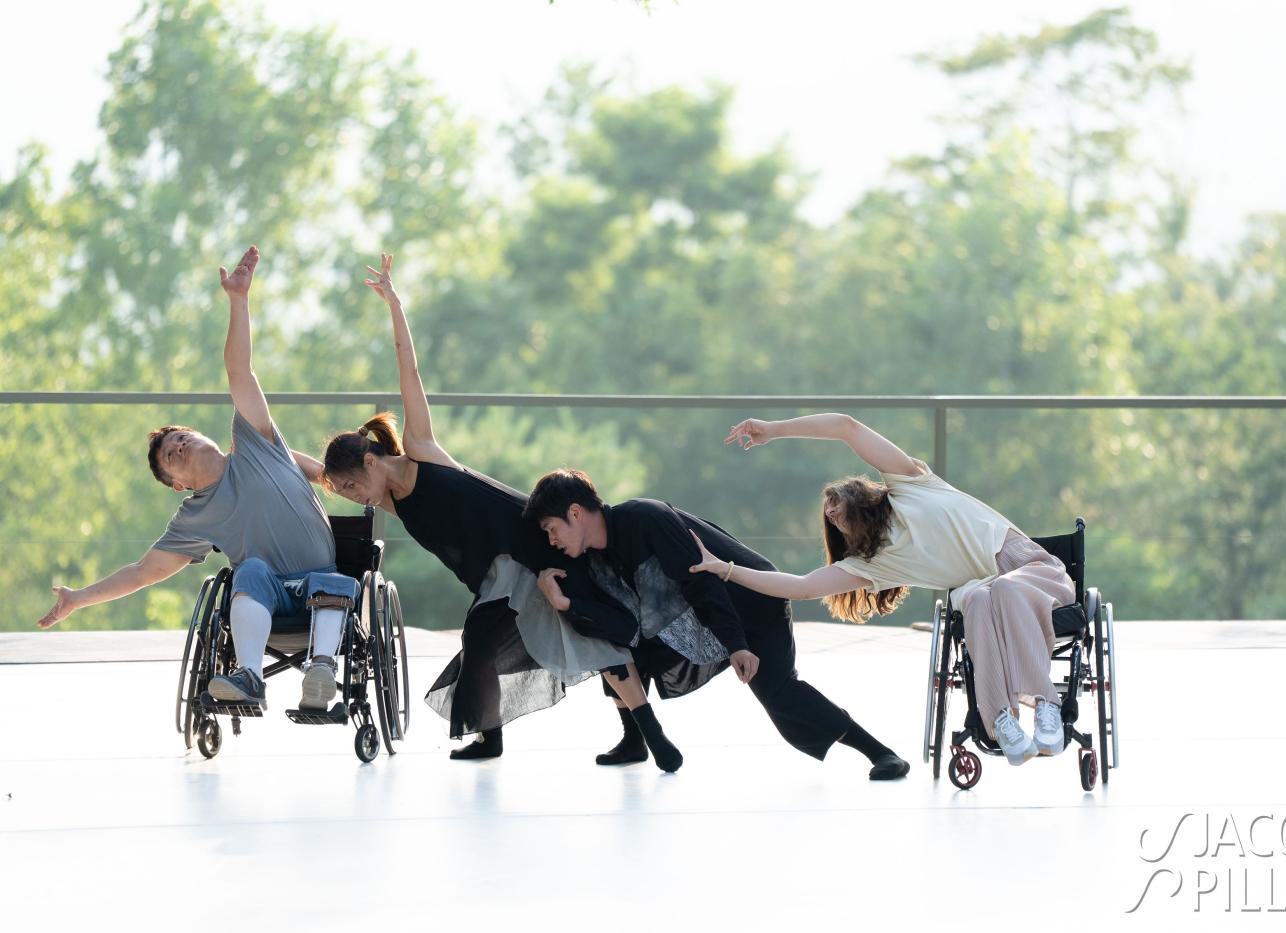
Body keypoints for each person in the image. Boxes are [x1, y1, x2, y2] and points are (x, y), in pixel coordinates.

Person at [319, 255, 684, 771]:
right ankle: (489, 738)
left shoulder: (422, 449)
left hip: (535, 546)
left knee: (593, 631)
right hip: (496, 578)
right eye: (346, 492)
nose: (355, 497)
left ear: (373, 460)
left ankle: (646, 735)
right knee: (480, 641)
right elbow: (320, 473)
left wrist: (395, 307)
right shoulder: (391, 501)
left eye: (354, 485)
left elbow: (410, 372)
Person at [37, 246, 358, 713]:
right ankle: (249, 676)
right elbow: (141, 573)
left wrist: (239, 301)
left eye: (183, 436)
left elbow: (239, 370)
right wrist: (77, 599)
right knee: (244, 572)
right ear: (178, 485)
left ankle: (322, 673)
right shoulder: (193, 517)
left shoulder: (252, 441)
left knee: (334, 581)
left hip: (318, 581)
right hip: (268, 594)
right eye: (172, 454)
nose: (182, 445)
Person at [690, 413, 1075, 766]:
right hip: (985, 594)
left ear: (863, 494)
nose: (831, 512)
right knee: (973, 598)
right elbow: (801, 587)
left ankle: (1046, 706)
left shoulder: (911, 486)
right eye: (829, 516)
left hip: (1031, 571)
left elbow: (846, 427)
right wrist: (726, 569)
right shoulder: (870, 566)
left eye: (835, 502)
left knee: (1001, 591)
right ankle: (1002, 722)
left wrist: (773, 430)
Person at [524, 468, 911, 780]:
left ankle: (881, 753)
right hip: (699, 619)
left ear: (575, 513)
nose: (551, 539)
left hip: (752, 602)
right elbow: (623, 626)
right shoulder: (597, 559)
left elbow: (701, 581)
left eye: (551, 529)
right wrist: (565, 602)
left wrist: (738, 644)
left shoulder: (645, 518)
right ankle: (634, 740)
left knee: (780, 693)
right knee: (617, 648)